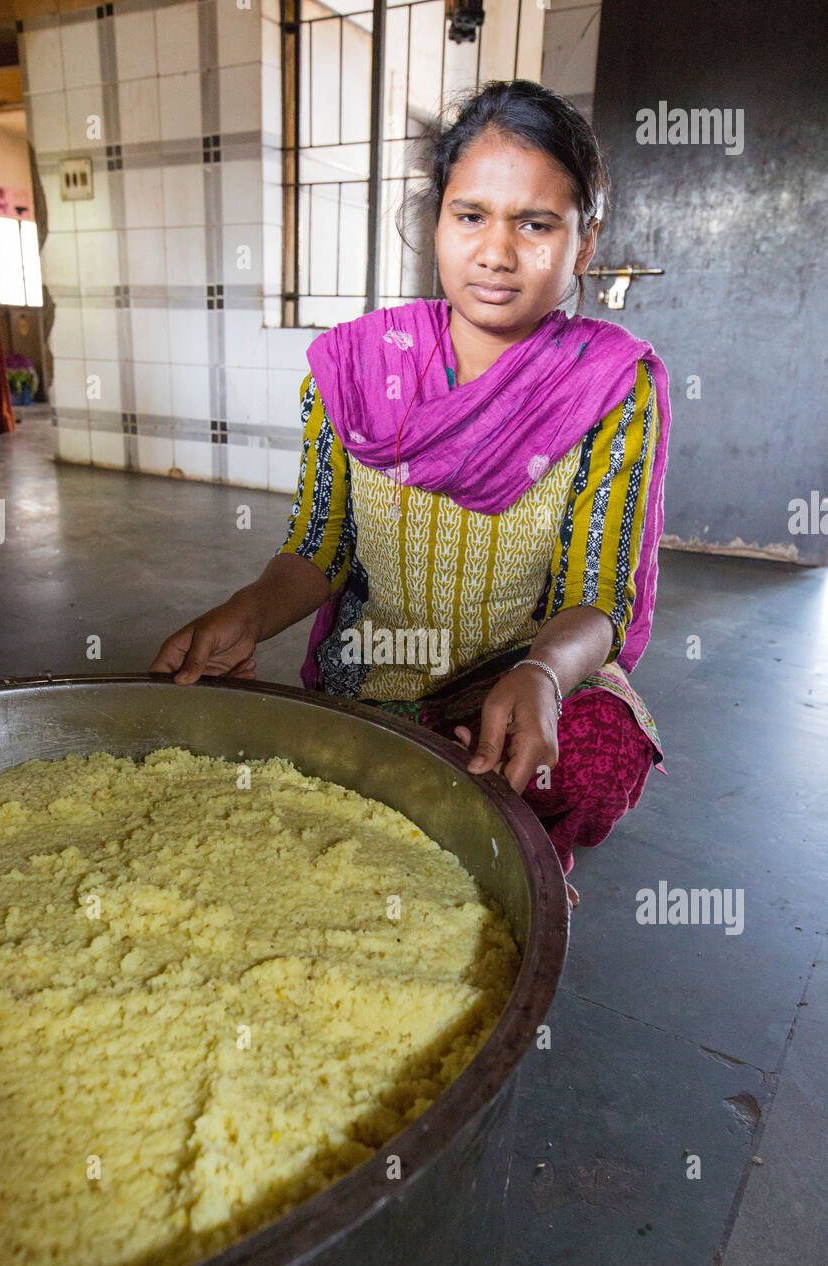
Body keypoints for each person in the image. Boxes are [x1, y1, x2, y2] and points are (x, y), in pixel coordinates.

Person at [150, 80, 672, 909]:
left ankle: (526, 841)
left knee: (601, 751)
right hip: (381, 671)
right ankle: (468, 806)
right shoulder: (357, 368)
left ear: (583, 243)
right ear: (437, 224)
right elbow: (321, 547)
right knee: (348, 768)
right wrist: (241, 618)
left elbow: (599, 597)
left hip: (515, 674)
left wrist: (541, 674)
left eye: (535, 223)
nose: (496, 252)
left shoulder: (610, 384)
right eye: (470, 216)